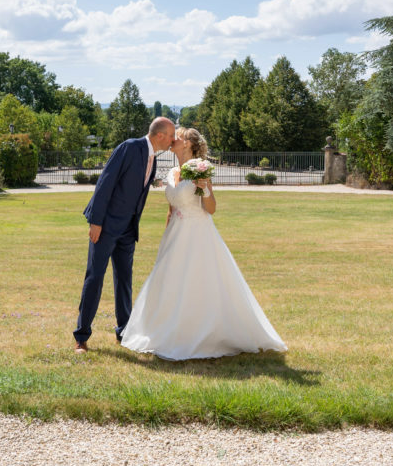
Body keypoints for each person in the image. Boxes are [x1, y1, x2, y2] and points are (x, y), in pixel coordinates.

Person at [121, 127, 287, 360]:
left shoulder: (200, 169)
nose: (173, 139)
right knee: (170, 282)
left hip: (198, 233)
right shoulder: (172, 172)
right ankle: (166, 331)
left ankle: (201, 334)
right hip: (175, 234)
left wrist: (204, 188)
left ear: (188, 144)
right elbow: (172, 209)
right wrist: (166, 238)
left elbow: (211, 209)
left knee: (197, 282)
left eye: (178, 136)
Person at [73, 117, 176, 353]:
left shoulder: (152, 156)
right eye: (171, 135)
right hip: (106, 226)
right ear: (160, 135)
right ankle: (81, 336)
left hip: (129, 230)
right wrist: (96, 221)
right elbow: (105, 182)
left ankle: (124, 332)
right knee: (95, 278)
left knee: (124, 282)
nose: (173, 140)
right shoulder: (130, 147)